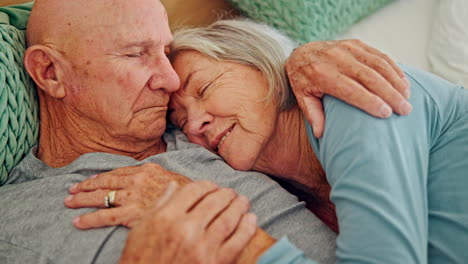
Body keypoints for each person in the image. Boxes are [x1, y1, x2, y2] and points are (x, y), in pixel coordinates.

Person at [0, 0, 410, 263]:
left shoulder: (208, 129)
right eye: (136, 53)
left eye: (164, 50)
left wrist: (297, 57)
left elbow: (267, 94)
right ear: (49, 73)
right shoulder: (18, 219)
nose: (169, 78)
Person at [159, 19, 468, 263]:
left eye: (204, 88)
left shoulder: (352, 100)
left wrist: (244, 245)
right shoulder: (288, 197)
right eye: (181, 121)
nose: (195, 124)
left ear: (260, 63)